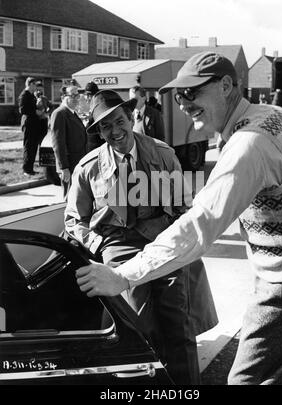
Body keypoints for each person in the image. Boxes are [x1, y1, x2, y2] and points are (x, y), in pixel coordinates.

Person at [75, 51, 282, 385]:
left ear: (226, 86)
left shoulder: (247, 145)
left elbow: (198, 224)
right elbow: (76, 217)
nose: (183, 103)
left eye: (192, 92)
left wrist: (121, 276)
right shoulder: (277, 116)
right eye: (178, 95)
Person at [65, 89, 217, 384]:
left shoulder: (162, 154)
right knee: (135, 321)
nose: (115, 131)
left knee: (177, 317)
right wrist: (100, 246)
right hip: (117, 245)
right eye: (106, 126)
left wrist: (175, 240)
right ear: (99, 131)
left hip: (162, 241)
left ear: (130, 118)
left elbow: (185, 207)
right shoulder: (88, 168)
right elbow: (74, 219)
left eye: (119, 121)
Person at [50, 85, 87, 199]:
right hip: (69, 166)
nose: (76, 98)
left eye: (78, 95)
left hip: (77, 163)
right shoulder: (59, 113)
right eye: (73, 95)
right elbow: (58, 143)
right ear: (63, 97)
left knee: (78, 198)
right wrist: (64, 167)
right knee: (70, 198)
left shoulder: (72, 113)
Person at [18, 77, 40, 176]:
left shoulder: (32, 95)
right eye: (35, 84)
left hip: (34, 124)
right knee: (28, 146)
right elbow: (22, 110)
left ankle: (30, 168)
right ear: (30, 84)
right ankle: (26, 169)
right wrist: (35, 111)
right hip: (28, 123)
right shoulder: (24, 95)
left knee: (33, 146)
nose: (36, 86)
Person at [83, 82, 105, 152]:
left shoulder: (99, 111)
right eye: (87, 95)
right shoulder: (92, 110)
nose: (88, 98)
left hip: (97, 151)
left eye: (90, 95)